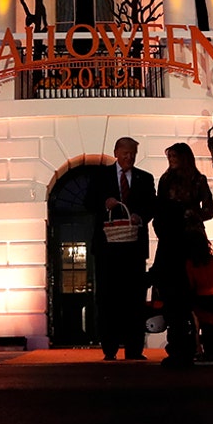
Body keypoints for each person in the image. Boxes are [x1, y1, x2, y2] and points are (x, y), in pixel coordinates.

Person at [86, 136, 156, 360]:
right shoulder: (100, 176)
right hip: (107, 249)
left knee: (135, 300)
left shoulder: (145, 178)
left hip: (133, 248)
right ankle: (109, 349)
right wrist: (103, 203)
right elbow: (87, 202)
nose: (129, 157)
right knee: (108, 300)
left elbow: (151, 206)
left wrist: (140, 216)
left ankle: (135, 350)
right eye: (126, 153)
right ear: (116, 152)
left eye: (133, 154)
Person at [153, 142, 213, 367]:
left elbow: (209, 210)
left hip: (191, 240)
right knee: (172, 295)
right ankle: (177, 347)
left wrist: (191, 213)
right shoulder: (165, 179)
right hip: (170, 239)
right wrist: (161, 227)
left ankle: (200, 345)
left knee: (196, 293)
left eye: (175, 157)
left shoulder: (198, 180)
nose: (171, 161)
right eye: (169, 157)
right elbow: (160, 207)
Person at [184, 239, 213, 365]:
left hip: (198, 298)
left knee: (200, 326)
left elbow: (190, 283)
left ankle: (201, 352)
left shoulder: (189, 263)